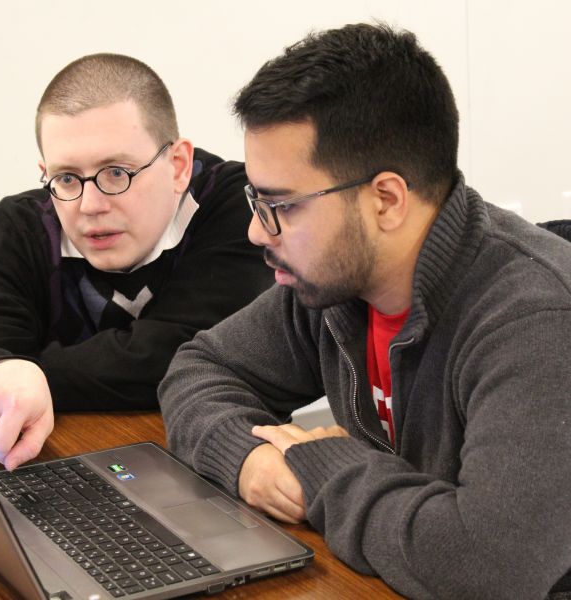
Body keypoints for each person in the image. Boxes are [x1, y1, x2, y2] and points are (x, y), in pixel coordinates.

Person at [158, 23, 571, 599]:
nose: (256, 230)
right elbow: (199, 369)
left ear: (385, 200)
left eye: (280, 205)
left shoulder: (536, 323)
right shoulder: (340, 286)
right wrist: (249, 459)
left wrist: (326, 467)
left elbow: (489, 566)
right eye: (256, 200)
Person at [0, 53, 273, 472]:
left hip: (217, 462)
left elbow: (181, 354)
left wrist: (29, 372)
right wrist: (4, 370)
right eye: (66, 178)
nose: (90, 205)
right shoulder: (11, 230)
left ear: (178, 166)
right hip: (54, 467)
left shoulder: (241, 209)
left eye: (116, 173)